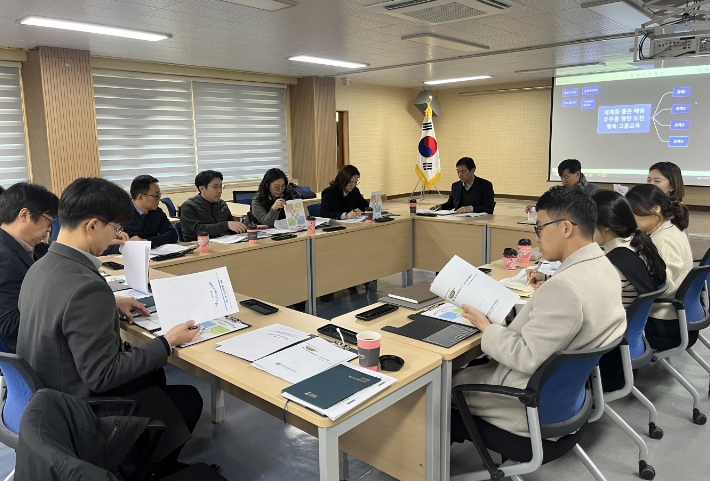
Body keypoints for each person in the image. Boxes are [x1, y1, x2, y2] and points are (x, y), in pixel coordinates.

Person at [17, 177, 206, 477]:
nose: (117, 237)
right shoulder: (87, 288)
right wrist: (168, 342)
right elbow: (103, 376)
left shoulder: (39, 266)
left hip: (49, 388)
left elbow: (63, 310)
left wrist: (110, 302)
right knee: (189, 399)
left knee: (154, 377)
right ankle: (154, 470)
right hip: (81, 406)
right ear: (92, 225)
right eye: (115, 229)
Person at [451, 186, 626, 438]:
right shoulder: (605, 267)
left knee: (437, 385)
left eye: (540, 228)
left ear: (566, 228)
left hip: (523, 400)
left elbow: (526, 357)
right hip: (562, 396)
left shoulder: (565, 288)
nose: (537, 238)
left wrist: (487, 328)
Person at [591, 190, 667, 391]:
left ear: (606, 226)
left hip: (610, 352)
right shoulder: (638, 242)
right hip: (628, 338)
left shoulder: (615, 263)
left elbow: (589, 304)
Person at [626, 184, 693, 351]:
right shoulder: (672, 229)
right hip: (680, 317)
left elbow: (663, 286)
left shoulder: (662, 240)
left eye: (634, 212)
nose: (631, 219)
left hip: (665, 323)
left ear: (655, 209)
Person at [0, 183, 58, 352]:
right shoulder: (4, 260)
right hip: (30, 351)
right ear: (24, 215)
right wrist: (67, 303)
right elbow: (9, 326)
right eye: (49, 220)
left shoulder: (34, 247)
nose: (50, 229)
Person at [104, 175, 177, 254]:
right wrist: (125, 247)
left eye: (159, 195)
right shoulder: (119, 213)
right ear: (141, 197)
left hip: (151, 255)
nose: (158, 199)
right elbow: (102, 245)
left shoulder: (157, 212)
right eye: (156, 196)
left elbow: (172, 235)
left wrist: (145, 242)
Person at [180, 170, 246, 241]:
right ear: (202, 189)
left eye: (220, 186)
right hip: (200, 244)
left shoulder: (222, 204)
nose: (219, 191)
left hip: (225, 241)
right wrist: (225, 225)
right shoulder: (189, 207)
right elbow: (198, 229)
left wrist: (246, 229)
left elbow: (232, 227)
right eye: (215, 187)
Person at [525, 159, 599, 213]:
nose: (563, 181)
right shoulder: (561, 191)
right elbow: (552, 206)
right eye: (561, 177)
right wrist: (536, 208)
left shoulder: (594, 191)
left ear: (577, 174)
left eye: (566, 177)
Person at [321, 165, 386, 219]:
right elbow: (324, 213)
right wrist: (345, 215)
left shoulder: (355, 191)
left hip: (351, 224)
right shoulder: (329, 192)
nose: (353, 185)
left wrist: (377, 201)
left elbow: (365, 206)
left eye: (355, 182)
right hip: (336, 226)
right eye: (350, 182)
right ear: (341, 179)